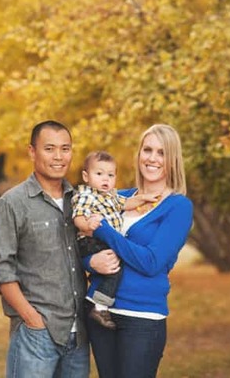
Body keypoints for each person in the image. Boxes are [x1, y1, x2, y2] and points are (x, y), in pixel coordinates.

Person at [83, 124, 194, 378]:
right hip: (99, 313)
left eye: (162, 153)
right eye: (147, 150)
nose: (152, 158)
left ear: (172, 160)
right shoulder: (116, 197)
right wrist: (91, 262)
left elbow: (151, 261)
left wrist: (104, 230)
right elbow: (80, 243)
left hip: (141, 319)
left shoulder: (178, 207)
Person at [0, 120, 91, 378]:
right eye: (50, 148)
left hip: (79, 336)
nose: (59, 156)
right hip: (37, 335)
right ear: (32, 152)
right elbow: (0, 270)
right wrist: (32, 318)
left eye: (65, 149)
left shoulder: (80, 201)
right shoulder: (13, 203)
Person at [71, 150, 159, 330]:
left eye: (110, 175)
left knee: (114, 266)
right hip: (89, 241)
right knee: (114, 270)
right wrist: (88, 225)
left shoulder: (111, 196)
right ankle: (100, 306)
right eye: (99, 174)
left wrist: (143, 199)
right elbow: (78, 217)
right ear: (86, 176)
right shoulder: (86, 195)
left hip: (101, 241)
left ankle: (100, 303)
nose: (106, 179)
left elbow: (126, 203)